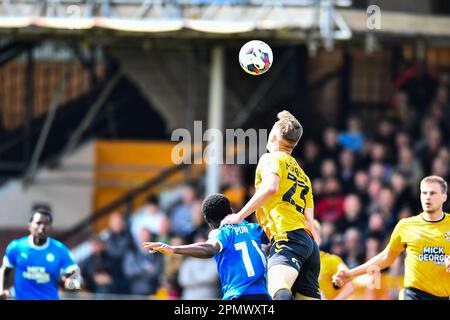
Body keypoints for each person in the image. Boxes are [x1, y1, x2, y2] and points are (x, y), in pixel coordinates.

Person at [221, 111, 320, 300]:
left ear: (274, 135)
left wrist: (238, 216)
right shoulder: (303, 175)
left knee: (278, 290)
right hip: (309, 245)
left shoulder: (271, 158)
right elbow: (309, 218)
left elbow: (271, 188)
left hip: (287, 236)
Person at [333, 175, 450, 300]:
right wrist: (352, 274)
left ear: (444, 197)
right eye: (424, 193)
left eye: (432, 193)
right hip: (413, 294)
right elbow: (386, 257)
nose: (427, 197)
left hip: (442, 295)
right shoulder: (405, 225)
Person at [144, 193, 271, 300]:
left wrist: (174, 249)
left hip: (238, 295)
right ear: (231, 211)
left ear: (207, 220)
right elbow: (277, 240)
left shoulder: (222, 233)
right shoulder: (253, 228)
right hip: (264, 295)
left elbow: (209, 248)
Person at [0, 209, 81, 300]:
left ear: (51, 228)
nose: (42, 227)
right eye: (38, 223)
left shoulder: (60, 249)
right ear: (29, 226)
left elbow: (74, 272)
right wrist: (2, 289)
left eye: (46, 224)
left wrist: (71, 284)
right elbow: (5, 269)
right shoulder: (16, 247)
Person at [311, 220, 354, 300]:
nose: (309, 241)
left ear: (319, 240)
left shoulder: (331, 260)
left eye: (312, 237)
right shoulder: (297, 263)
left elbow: (350, 285)